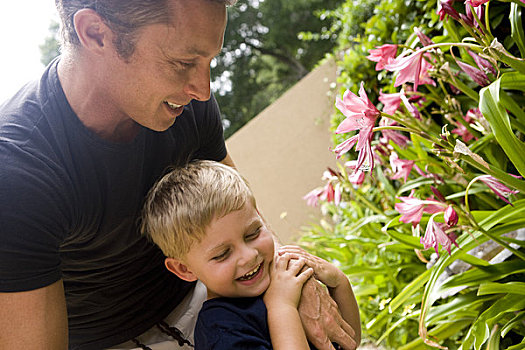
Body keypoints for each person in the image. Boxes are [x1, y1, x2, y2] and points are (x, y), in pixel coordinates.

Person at [0, 0, 357, 349]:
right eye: (183, 62)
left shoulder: (188, 105)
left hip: (217, 297)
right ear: (95, 34)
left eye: (209, 61)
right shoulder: (18, 172)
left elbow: (244, 220)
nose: (203, 90)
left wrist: (301, 284)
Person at [141, 160, 361, 349]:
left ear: (259, 217)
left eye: (253, 233)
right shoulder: (221, 330)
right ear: (185, 269)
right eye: (222, 254)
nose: (249, 256)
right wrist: (282, 308)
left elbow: (348, 341)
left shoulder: (282, 278)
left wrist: (337, 281)